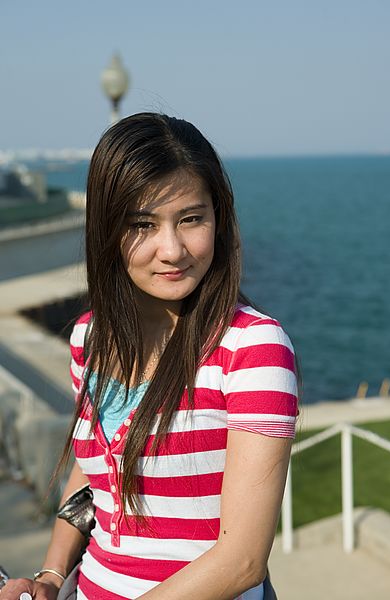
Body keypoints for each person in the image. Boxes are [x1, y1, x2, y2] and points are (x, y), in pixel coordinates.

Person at [1, 113, 299, 600]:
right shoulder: (89, 338)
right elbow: (95, 468)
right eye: (143, 224)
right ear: (107, 231)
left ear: (218, 220)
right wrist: (52, 577)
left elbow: (242, 561)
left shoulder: (252, 349)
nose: (173, 250)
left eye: (191, 219)